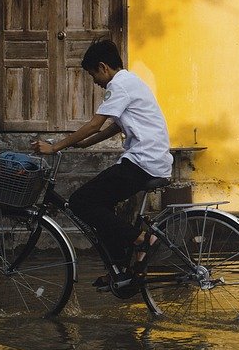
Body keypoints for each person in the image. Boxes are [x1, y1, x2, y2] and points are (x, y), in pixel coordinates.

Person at [34, 38, 172, 294]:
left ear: (103, 67)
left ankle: (143, 240)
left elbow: (96, 123)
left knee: (80, 202)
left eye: (92, 75)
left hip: (143, 161)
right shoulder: (131, 82)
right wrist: (86, 144)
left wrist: (56, 147)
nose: (94, 82)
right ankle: (120, 268)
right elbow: (116, 126)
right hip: (150, 160)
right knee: (103, 204)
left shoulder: (119, 85)